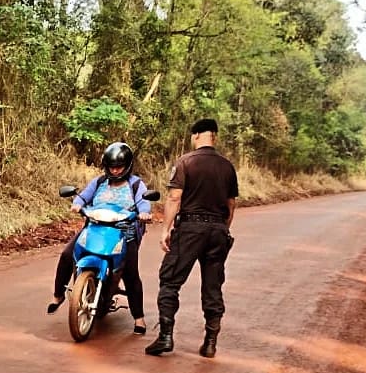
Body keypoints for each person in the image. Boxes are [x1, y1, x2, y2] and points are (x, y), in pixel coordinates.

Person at [145, 118, 239, 358]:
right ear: (214, 137)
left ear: (196, 135)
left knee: (170, 281)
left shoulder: (186, 162)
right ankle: (210, 342)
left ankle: (165, 337)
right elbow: (231, 204)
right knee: (213, 285)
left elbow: (175, 198)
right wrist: (222, 228)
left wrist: (166, 229)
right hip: (217, 230)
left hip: (189, 229)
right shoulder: (228, 167)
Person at [48, 142, 153, 334]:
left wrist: (144, 213)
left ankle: (139, 318)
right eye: (111, 166)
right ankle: (58, 295)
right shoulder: (98, 182)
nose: (114, 170)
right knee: (66, 255)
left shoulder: (136, 184)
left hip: (124, 233)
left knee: (130, 273)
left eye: (119, 166)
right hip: (95, 229)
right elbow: (83, 197)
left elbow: (144, 203)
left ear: (128, 166)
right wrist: (77, 204)